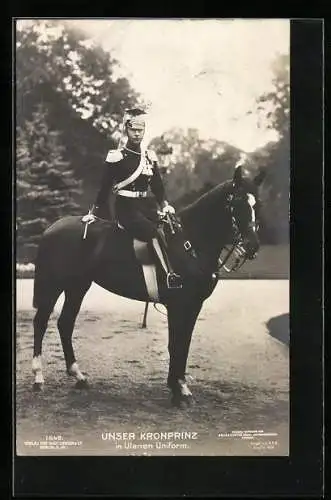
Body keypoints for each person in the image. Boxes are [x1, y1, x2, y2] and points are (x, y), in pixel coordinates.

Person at [84, 108, 182, 288]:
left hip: (147, 206)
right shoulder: (117, 157)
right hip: (126, 208)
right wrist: (94, 211)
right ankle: (169, 274)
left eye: (140, 130)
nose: (137, 134)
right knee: (151, 231)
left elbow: (158, 186)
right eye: (133, 130)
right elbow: (104, 188)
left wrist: (165, 204)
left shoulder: (149, 157)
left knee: (172, 227)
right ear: (126, 130)